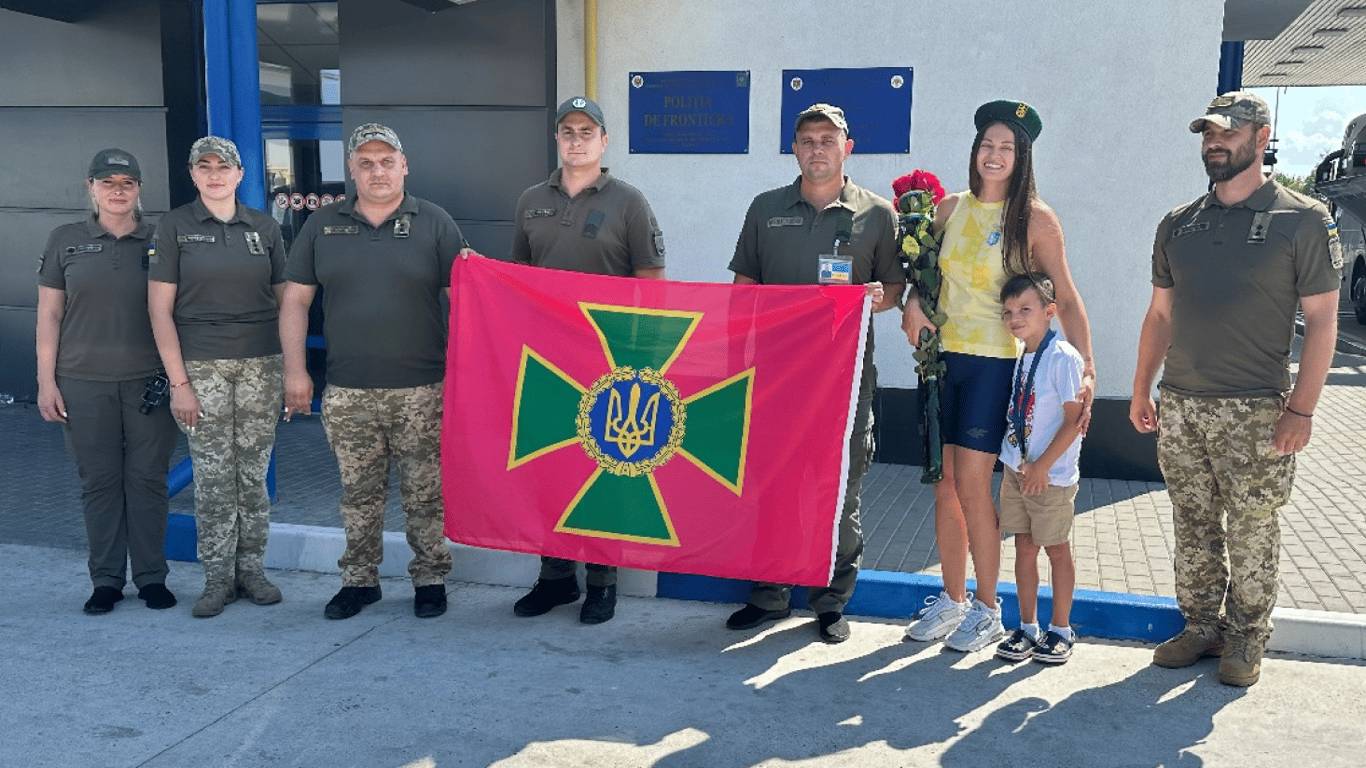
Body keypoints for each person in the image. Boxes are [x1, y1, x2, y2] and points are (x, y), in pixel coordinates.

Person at [1131, 91, 1341, 687]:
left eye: (1226, 132)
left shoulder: (1301, 218)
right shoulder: (1179, 223)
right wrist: (1144, 388)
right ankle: (1201, 626)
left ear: (1261, 135)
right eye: (1207, 134)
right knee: (1192, 523)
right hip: (1183, 403)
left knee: (1252, 528)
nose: (1214, 142)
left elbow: (1323, 321)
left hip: (1256, 410)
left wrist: (1302, 408)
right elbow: (1160, 316)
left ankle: (1247, 636)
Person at [902, 100, 1095, 652]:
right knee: (942, 485)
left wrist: (1087, 368)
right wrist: (915, 302)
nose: (994, 155)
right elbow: (927, 279)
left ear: (1022, 157)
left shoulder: (1035, 218)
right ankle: (953, 598)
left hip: (994, 363)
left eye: (1007, 148)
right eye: (987, 144)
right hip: (942, 363)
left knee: (970, 485)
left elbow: (1066, 294)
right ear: (975, 151)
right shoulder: (946, 209)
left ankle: (987, 608)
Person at [723, 103, 905, 644]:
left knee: (839, 491)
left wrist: (878, 299)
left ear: (847, 148)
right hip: (775, 378)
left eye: (828, 139)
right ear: (795, 149)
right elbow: (742, 291)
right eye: (806, 139)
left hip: (844, 383)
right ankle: (769, 594)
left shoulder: (876, 214)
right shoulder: (765, 209)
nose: (817, 148)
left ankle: (829, 600)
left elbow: (893, 290)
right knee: (772, 488)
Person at [279, 124, 469, 620]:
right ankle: (359, 582)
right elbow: (295, 301)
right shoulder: (321, 225)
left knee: (425, 494)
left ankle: (430, 579)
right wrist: (296, 372)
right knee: (357, 497)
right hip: (348, 392)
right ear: (351, 170)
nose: (377, 171)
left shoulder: (435, 222)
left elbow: (464, 304)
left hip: (423, 391)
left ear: (404, 166)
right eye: (366, 162)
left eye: (387, 161)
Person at [507, 96, 667, 625]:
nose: (576, 139)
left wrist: (640, 364)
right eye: (567, 130)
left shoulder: (629, 202)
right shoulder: (531, 199)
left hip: (610, 362)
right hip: (549, 363)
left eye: (587, 131)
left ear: (603, 141)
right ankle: (555, 578)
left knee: (605, 472)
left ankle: (602, 581)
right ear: (557, 139)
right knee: (550, 466)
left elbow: (651, 286)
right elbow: (520, 282)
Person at [148, 136, 287, 617]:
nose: (214, 174)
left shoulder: (265, 228)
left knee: (252, 475)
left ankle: (252, 571)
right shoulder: (174, 227)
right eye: (203, 167)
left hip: (260, 363)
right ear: (192, 174)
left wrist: (290, 370)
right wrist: (179, 382)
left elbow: (286, 301)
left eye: (223, 166)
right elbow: (159, 310)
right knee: (211, 477)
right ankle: (216, 579)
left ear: (240, 174)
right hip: (201, 366)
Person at [36, 148, 179, 614]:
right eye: (108, 182)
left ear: (139, 189)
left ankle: (153, 577)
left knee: (148, 481)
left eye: (128, 182)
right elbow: (49, 315)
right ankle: (107, 581)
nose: (118, 190)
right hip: (80, 382)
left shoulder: (162, 238)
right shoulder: (65, 239)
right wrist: (45, 382)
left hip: (148, 383)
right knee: (99, 482)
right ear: (90, 187)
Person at [991, 273, 1084, 665]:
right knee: (1024, 548)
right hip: (1018, 468)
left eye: (1025, 310)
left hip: (1050, 476)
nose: (1015, 318)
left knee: (1056, 549)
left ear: (1050, 312)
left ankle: (1060, 629)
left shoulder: (1062, 357)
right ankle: (1028, 627)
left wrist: (1042, 466)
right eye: (1008, 311)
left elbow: (1074, 419)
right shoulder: (1023, 353)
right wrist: (1021, 464)